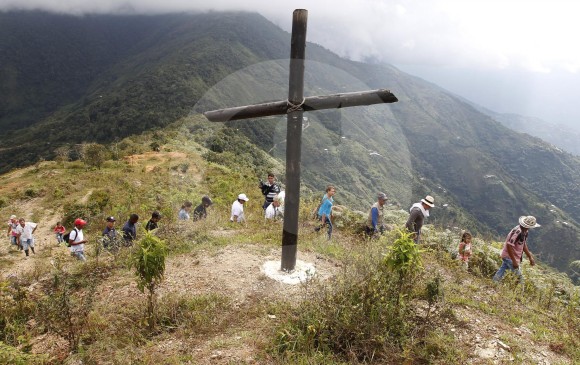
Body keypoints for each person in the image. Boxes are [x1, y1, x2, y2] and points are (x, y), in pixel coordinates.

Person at [493, 216, 539, 282]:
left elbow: (523, 244)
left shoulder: (525, 232)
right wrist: (514, 261)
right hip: (510, 257)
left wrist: (530, 257)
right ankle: (520, 291)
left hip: (508, 256)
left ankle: (494, 282)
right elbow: (509, 245)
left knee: (502, 270)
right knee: (519, 278)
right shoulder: (518, 232)